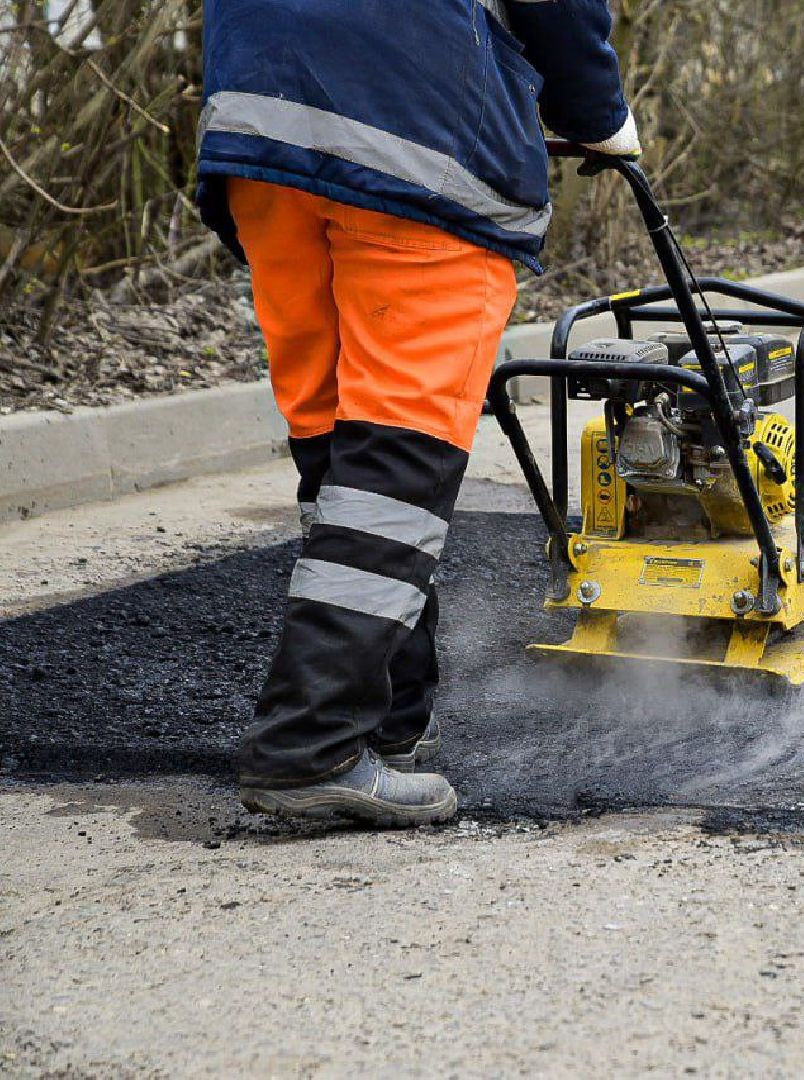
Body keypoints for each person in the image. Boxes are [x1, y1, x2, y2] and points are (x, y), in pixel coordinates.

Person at [194, 0, 640, 826]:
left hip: (260, 132)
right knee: (398, 454)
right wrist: (598, 118)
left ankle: (390, 720)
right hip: (417, 134)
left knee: (335, 440)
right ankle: (310, 746)